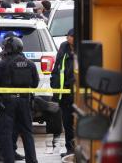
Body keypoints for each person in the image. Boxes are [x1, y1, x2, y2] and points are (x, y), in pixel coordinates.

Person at [0, 36, 39, 163]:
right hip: (24, 102)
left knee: (6, 133)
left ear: (7, 48)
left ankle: (9, 160)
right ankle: (32, 160)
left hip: (7, 103)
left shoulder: (2, 64)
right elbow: (35, 84)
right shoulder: (30, 64)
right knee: (27, 133)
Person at [50, 28, 75, 158]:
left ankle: (79, 148)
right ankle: (70, 149)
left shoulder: (83, 49)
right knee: (67, 122)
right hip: (64, 93)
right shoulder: (64, 47)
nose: (68, 38)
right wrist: (54, 85)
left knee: (79, 122)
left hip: (78, 93)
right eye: (68, 36)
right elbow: (57, 68)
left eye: (70, 36)